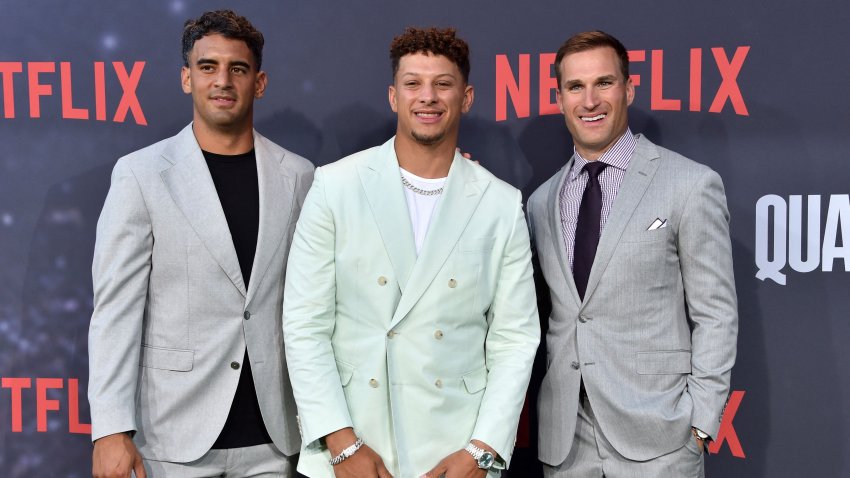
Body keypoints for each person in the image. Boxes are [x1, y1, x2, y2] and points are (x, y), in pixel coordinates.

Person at [282, 27, 540, 478]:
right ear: (392, 95)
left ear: (467, 96)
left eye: (443, 84)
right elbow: (304, 324)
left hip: (454, 453)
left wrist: (482, 451)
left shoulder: (500, 203)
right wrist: (341, 444)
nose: (428, 97)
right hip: (351, 446)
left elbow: (515, 339)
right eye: (413, 83)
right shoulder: (336, 185)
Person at [87, 10, 313, 477]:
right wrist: (110, 430)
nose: (223, 81)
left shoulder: (300, 176)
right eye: (208, 67)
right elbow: (115, 312)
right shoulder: (141, 175)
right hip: (173, 438)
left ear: (260, 82)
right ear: (186, 78)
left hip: (276, 441)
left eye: (238, 68)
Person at [527, 31, 738, 477]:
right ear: (559, 97)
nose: (590, 100)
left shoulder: (690, 184)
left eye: (604, 82)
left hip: (660, 439)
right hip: (566, 443)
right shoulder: (541, 201)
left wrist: (700, 422)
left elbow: (715, 314)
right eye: (575, 87)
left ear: (628, 89)